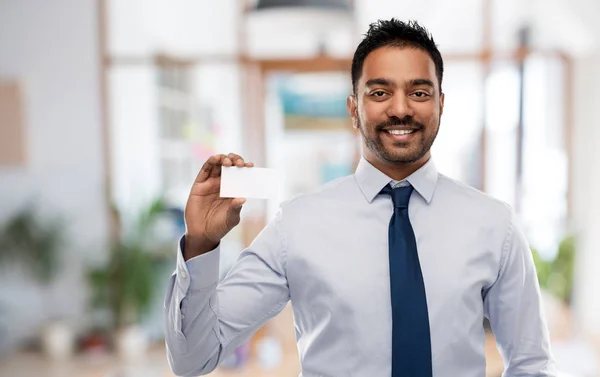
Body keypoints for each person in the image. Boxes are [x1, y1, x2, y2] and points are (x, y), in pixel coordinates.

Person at [163, 19, 556, 377]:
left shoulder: (493, 225)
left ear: (440, 104)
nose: (400, 109)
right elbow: (192, 358)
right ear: (354, 109)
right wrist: (201, 243)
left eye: (419, 92)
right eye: (380, 92)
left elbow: (531, 364)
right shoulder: (297, 225)